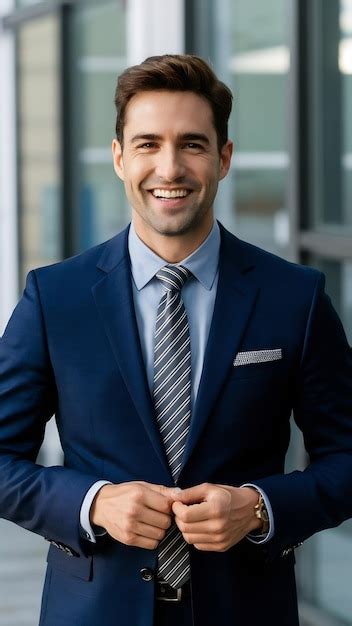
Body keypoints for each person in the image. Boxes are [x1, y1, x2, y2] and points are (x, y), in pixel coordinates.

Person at [0, 54, 351, 626]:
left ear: (224, 157)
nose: (170, 167)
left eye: (192, 144)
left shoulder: (296, 297)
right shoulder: (54, 298)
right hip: (92, 612)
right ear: (119, 158)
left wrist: (260, 508)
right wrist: (91, 504)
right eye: (146, 144)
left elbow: (347, 458)